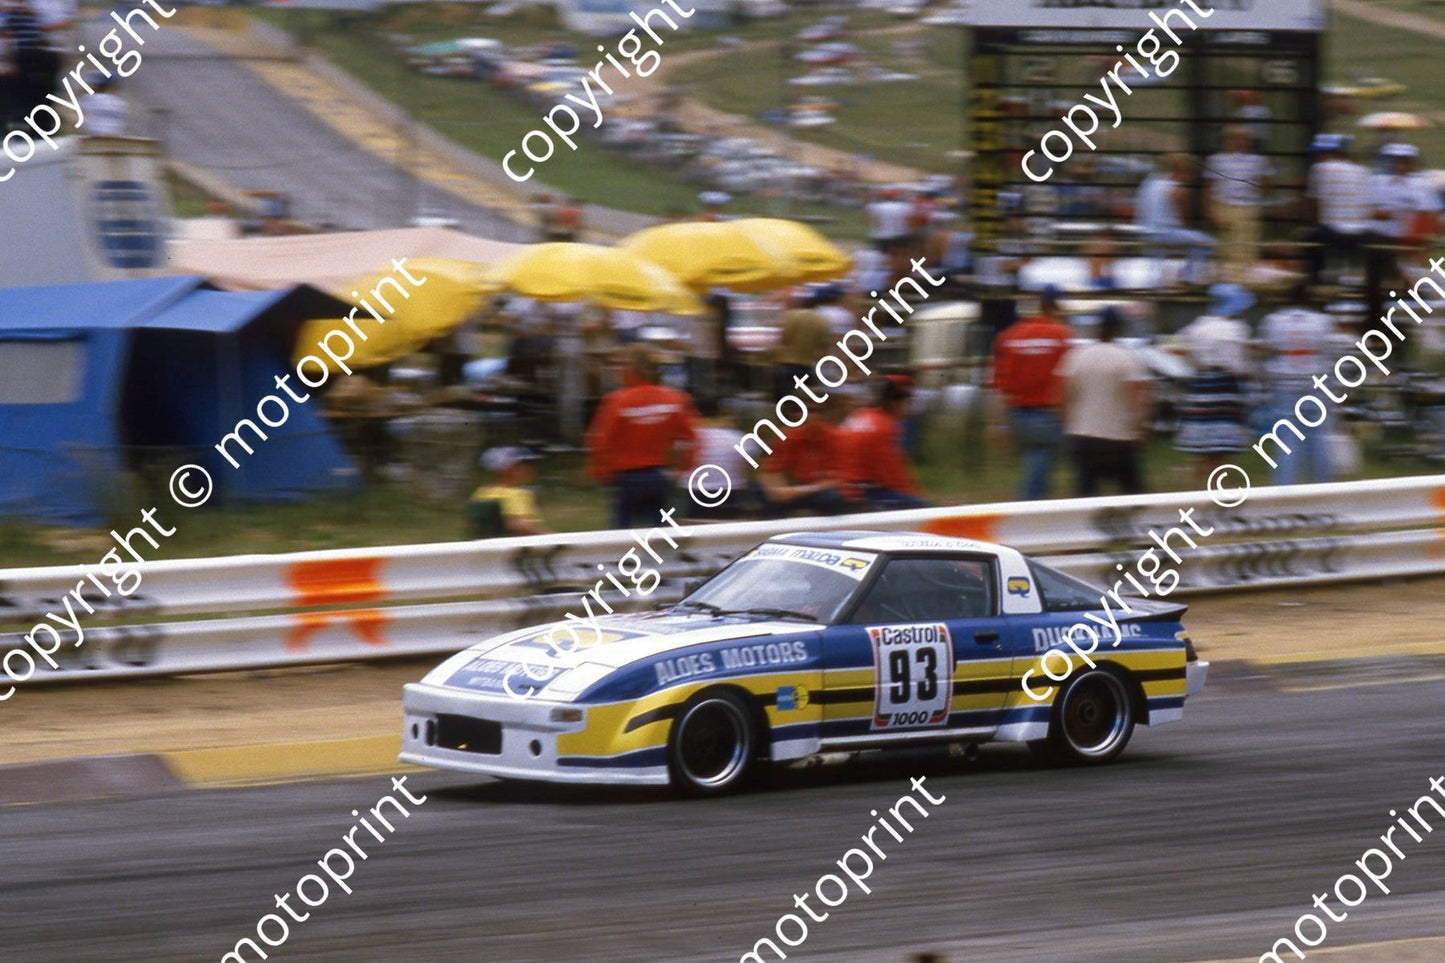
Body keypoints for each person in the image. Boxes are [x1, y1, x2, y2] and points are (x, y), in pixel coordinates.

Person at [585, 345, 699, 528]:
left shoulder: (617, 400)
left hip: (628, 478)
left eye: (620, 365)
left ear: (631, 369)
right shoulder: (674, 399)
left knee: (621, 534)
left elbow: (599, 441)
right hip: (659, 476)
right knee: (660, 532)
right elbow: (693, 438)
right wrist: (682, 468)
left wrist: (602, 471)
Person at [989, 286, 1073, 499]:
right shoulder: (1061, 335)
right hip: (1047, 415)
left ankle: (1033, 507)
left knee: (1035, 463)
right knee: (1039, 471)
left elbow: (1000, 386)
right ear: (1054, 307)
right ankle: (1027, 511)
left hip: (1017, 415)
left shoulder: (1009, 336)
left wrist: (999, 425)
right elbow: (1066, 381)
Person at [1059, 307, 1152, 496]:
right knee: (1132, 494)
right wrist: (1141, 429)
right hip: (1118, 438)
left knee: (1085, 492)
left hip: (1084, 436)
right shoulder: (1128, 358)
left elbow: (1063, 398)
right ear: (1119, 329)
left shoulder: (1076, 357)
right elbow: (1138, 400)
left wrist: (1068, 426)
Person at [1174, 285, 1254, 486]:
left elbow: (1185, 349)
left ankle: (1200, 489)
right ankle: (1220, 491)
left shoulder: (1197, 327)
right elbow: (1238, 365)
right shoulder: (1236, 330)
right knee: (1222, 453)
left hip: (1201, 388)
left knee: (1202, 452)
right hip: (1225, 389)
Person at [1257, 283, 1337, 485]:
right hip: (1315, 383)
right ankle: (1324, 483)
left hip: (1285, 384)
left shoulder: (1274, 321)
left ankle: (1285, 485)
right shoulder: (1322, 321)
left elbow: (1269, 349)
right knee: (1318, 437)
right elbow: (1328, 350)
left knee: (1286, 438)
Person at [839, 375, 928, 510]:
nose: (908, 408)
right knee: (925, 510)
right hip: (865, 494)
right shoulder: (885, 426)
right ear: (894, 403)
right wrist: (919, 500)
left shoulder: (857, 416)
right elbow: (893, 476)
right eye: (906, 402)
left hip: (843, 488)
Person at [760, 394, 851, 517]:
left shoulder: (837, 437)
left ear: (824, 415)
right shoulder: (788, 436)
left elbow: (840, 479)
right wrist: (778, 489)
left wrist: (799, 491)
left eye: (816, 411)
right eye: (805, 410)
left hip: (823, 491)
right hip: (799, 489)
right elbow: (771, 472)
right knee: (764, 495)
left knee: (831, 498)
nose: (811, 416)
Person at [1205, 125, 1272, 286]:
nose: (1240, 142)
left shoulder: (1259, 161)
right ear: (1228, 140)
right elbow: (1209, 187)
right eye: (1235, 138)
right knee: (1224, 247)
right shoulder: (1216, 160)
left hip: (1248, 208)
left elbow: (1267, 184)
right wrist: (1211, 210)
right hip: (1223, 206)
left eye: (1244, 139)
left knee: (1246, 247)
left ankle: (1242, 284)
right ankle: (1224, 283)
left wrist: (1256, 191)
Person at [1135, 153, 1215, 286]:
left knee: (1155, 265)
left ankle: (1154, 287)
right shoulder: (1178, 189)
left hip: (1146, 230)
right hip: (1165, 233)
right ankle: (1190, 277)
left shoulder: (1151, 183)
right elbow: (1182, 220)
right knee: (1205, 242)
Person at [1304, 134, 1371, 285]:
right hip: (1361, 232)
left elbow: (1314, 203)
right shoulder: (1362, 171)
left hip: (1333, 232)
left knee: (1308, 237)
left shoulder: (1319, 169)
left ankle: (1315, 281)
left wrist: (1311, 225)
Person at [468, 447, 546, 538]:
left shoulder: (481, 493)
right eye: (523, 465)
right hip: (517, 547)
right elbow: (516, 525)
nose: (530, 469)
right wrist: (550, 537)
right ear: (507, 470)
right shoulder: (514, 494)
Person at [774, 289, 832, 399]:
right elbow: (824, 348)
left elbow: (784, 339)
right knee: (804, 401)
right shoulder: (822, 321)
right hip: (807, 367)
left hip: (787, 366)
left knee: (784, 401)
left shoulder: (790, 316)